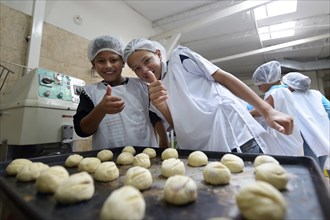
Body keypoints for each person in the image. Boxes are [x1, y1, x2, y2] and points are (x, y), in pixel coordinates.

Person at [123, 38, 293, 154]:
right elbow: (178, 125)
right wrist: (160, 105)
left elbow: (224, 78)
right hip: (202, 149)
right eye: (136, 68)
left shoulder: (180, 59)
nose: (144, 70)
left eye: (146, 61)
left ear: (158, 54)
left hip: (235, 136)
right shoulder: (152, 93)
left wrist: (266, 110)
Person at [73, 35, 168, 150]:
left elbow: (154, 117)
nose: (108, 65)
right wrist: (101, 109)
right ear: (94, 65)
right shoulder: (89, 92)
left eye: (113, 60)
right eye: (101, 61)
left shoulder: (141, 86)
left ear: (123, 62)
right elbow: (82, 131)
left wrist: (163, 139)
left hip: (145, 154)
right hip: (109, 160)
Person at [250, 61, 304, 156]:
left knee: (285, 163)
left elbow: (264, 109)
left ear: (268, 80)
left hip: (283, 138)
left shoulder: (275, 92)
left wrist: (248, 113)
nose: (259, 88)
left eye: (259, 85)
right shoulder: (285, 90)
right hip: (291, 137)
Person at [282, 72, 330, 169]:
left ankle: (318, 183)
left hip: (306, 138)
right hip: (323, 135)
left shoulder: (289, 97)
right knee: (320, 166)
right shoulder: (316, 94)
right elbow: (329, 109)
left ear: (290, 85)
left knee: (312, 169)